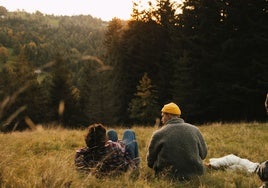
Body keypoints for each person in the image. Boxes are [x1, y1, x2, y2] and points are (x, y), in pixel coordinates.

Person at [146, 102, 208, 181]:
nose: (161, 119)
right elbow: (203, 154)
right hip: (196, 176)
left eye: (163, 116)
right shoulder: (195, 130)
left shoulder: (158, 134)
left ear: (168, 115)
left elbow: (150, 161)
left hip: (167, 177)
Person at [74, 123, 138, 177]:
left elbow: (79, 168)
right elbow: (123, 148)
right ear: (104, 139)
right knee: (128, 132)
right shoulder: (113, 147)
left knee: (111, 132)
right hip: (122, 168)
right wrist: (116, 142)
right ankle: (137, 166)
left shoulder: (80, 154)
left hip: (102, 169)